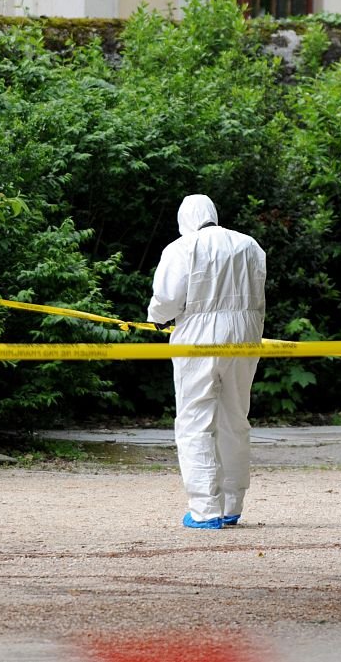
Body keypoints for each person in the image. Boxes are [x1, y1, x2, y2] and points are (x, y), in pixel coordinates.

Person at [147, 194, 266, 530]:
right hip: (245, 336)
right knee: (235, 418)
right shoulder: (250, 246)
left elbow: (167, 299)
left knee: (195, 420)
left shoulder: (182, 248)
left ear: (184, 219)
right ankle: (232, 505)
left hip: (197, 337)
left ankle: (204, 510)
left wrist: (157, 318)